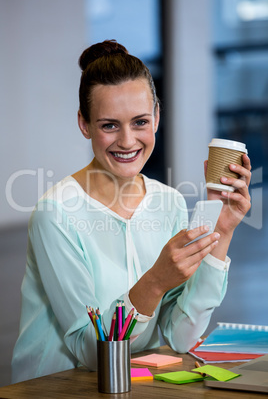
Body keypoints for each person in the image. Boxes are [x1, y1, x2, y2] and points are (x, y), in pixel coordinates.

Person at [12, 40, 251, 383]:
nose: (127, 141)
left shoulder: (168, 203)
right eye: (109, 125)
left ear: (156, 116)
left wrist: (222, 231)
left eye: (140, 121)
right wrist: (154, 282)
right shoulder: (56, 213)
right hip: (59, 386)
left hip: (139, 384)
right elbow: (91, 353)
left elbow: (180, 338)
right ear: (84, 124)